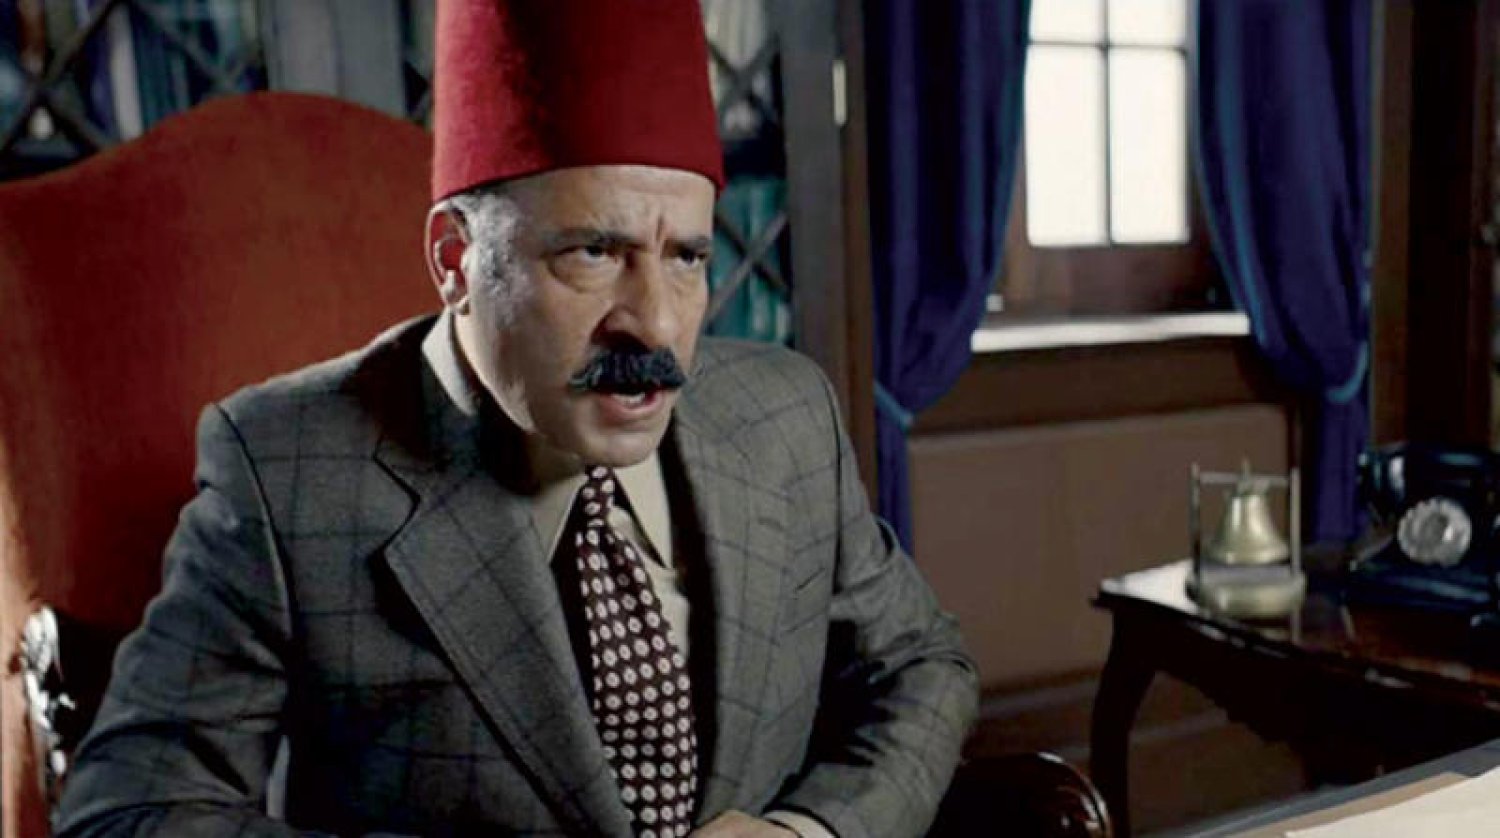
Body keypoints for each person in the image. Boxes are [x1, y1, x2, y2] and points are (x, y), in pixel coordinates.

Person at [55, 1, 977, 835]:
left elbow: (922, 670)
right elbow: (128, 809)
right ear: (455, 260)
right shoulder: (286, 475)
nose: (656, 325)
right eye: (594, 252)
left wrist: (810, 833)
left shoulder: (786, 417)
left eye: (687, 258)